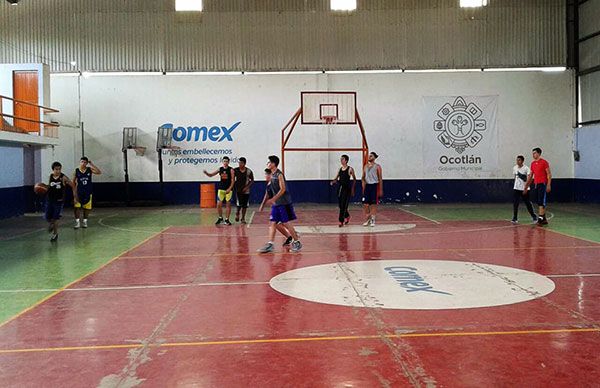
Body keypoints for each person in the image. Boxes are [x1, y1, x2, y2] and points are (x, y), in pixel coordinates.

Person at [257, 155, 302, 253]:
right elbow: (268, 192)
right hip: (276, 204)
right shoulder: (272, 175)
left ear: (273, 164)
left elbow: (283, 189)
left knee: (286, 222)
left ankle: (297, 242)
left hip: (283, 202)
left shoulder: (279, 175)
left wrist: (274, 198)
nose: (268, 164)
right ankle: (270, 244)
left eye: (269, 162)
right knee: (273, 223)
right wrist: (265, 203)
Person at [259, 168, 293, 246]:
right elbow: (266, 194)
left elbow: (282, 191)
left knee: (280, 223)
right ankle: (290, 237)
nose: (265, 176)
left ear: (271, 175)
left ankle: (294, 236)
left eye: (267, 174)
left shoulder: (275, 182)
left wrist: (274, 200)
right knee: (276, 223)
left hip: (281, 205)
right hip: (276, 205)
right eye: (265, 174)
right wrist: (262, 205)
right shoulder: (269, 184)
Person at [46, 162, 77, 242]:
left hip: (59, 201)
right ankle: (51, 224)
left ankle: (55, 234)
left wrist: (75, 197)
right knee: (48, 217)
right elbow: (48, 187)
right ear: (53, 169)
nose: (58, 171)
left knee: (56, 218)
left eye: (59, 169)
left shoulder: (63, 177)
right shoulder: (50, 177)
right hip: (50, 200)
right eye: (56, 169)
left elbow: (73, 186)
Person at [524, 147, 552, 226]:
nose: (533, 155)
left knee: (541, 202)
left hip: (542, 184)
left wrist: (548, 184)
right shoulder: (532, 164)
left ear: (539, 154)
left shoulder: (544, 162)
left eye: (535, 153)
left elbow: (549, 174)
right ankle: (544, 218)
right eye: (532, 153)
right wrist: (526, 186)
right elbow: (531, 176)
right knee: (539, 202)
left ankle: (540, 219)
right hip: (536, 184)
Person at [204, 156, 235, 225]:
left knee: (228, 204)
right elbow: (211, 175)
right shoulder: (220, 169)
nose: (225, 162)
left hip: (228, 190)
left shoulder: (231, 170)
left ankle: (227, 220)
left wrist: (229, 188)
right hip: (221, 189)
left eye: (226, 161)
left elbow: (233, 180)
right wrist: (207, 173)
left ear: (228, 162)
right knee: (218, 204)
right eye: (224, 161)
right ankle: (220, 218)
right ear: (222, 162)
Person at [73, 156, 101, 229]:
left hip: (88, 191)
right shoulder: (76, 171)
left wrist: (92, 164)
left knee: (87, 208)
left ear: (86, 163)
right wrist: (74, 193)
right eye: (82, 162)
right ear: (80, 162)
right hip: (79, 191)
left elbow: (99, 172)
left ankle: (85, 221)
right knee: (77, 207)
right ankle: (77, 222)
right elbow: (73, 182)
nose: (83, 163)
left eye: (85, 162)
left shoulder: (89, 169)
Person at [330, 154, 356, 227]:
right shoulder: (340, 169)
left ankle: (341, 221)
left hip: (347, 189)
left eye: (342, 159)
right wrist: (333, 181)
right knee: (340, 205)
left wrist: (353, 189)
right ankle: (347, 215)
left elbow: (354, 179)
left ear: (346, 160)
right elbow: (336, 177)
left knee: (344, 205)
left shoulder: (350, 169)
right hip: (340, 188)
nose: (341, 160)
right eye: (341, 159)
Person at [511, 155, 537, 224]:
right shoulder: (515, 168)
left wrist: (526, 187)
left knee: (527, 203)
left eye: (519, 160)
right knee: (515, 203)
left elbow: (529, 178)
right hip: (516, 189)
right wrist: (515, 185)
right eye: (517, 160)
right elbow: (515, 177)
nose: (517, 161)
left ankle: (534, 217)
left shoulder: (526, 168)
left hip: (524, 189)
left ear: (522, 161)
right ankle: (515, 218)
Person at [361, 152, 383, 227]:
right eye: (369, 156)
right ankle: (368, 219)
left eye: (371, 156)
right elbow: (363, 177)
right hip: (367, 186)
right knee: (366, 204)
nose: (369, 157)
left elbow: (380, 178)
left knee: (373, 204)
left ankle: (373, 219)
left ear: (374, 157)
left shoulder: (377, 167)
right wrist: (363, 186)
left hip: (374, 186)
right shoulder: (365, 166)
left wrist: (380, 189)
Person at [233, 157, 254, 224]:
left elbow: (252, 180)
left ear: (244, 163)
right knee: (239, 205)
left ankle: (243, 218)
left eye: (241, 163)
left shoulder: (248, 171)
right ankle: (237, 213)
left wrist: (247, 187)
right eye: (239, 163)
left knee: (245, 205)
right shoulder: (235, 170)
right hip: (238, 190)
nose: (240, 164)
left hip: (246, 191)